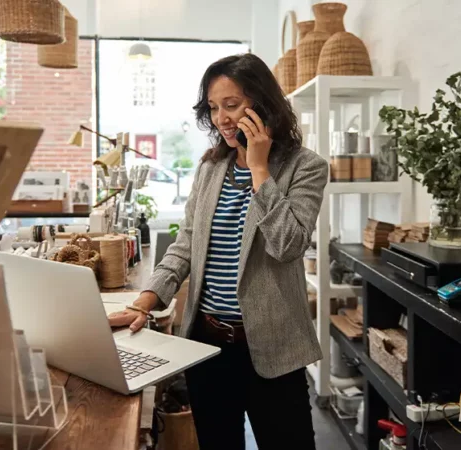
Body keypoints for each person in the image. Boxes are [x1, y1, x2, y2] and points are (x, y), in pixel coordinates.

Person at [109, 53, 328, 449]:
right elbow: (186, 244)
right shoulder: (210, 169)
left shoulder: (305, 167)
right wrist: (146, 299)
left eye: (232, 105)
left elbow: (289, 245)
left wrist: (260, 170)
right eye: (213, 107)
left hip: (274, 350)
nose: (221, 118)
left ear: (263, 104)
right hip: (208, 348)